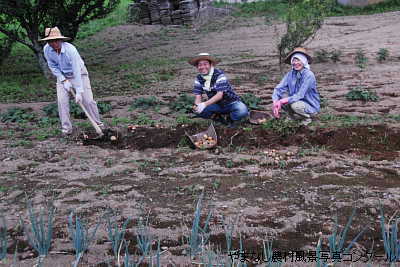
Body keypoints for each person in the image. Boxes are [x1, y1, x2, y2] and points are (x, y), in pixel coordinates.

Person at [39, 26, 103, 135]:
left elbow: (76, 70)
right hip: (63, 76)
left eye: (55, 40)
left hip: (79, 74)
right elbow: (52, 66)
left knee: (88, 101)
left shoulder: (70, 50)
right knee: (62, 102)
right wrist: (63, 80)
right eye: (50, 41)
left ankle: (99, 125)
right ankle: (66, 130)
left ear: (60, 40)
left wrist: (78, 91)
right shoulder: (47, 49)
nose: (53, 44)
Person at [189, 53, 248, 128]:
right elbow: (198, 96)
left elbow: (220, 95)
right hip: (216, 104)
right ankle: (216, 117)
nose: (202, 67)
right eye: (200, 65)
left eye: (205, 64)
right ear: (197, 67)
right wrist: (197, 106)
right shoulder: (199, 78)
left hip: (231, 102)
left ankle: (231, 118)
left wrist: (204, 104)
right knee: (196, 110)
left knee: (242, 110)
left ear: (211, 65)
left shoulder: (219, 75)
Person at [272, 47, 320, 126]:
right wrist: (275, 103)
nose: (295, 63)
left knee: (294, 105)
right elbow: (278, 89)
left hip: (309, 105)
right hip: (297, 101)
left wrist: (281, 101)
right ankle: (291, 117)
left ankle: (307, 118)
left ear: (304, 61)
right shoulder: (290, 74)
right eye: (294, 60)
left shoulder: (309, 75)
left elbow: (300, 95)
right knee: (281, 96)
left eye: (298, 60)